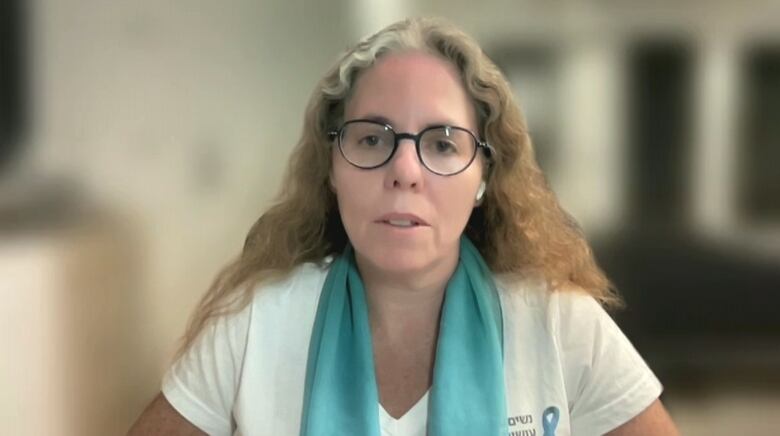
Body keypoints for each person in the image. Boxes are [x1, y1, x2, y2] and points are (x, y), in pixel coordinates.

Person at [128, 17, 679, 436]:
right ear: (334, 169)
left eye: (442, 144)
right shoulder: (257, 323)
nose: (405, 171)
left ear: (485, 176)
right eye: (372, 138)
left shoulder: (559, 323)